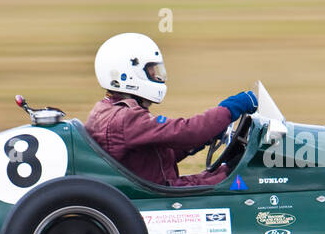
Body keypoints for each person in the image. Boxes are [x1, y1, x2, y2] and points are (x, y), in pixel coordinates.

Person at [86, 32, 257, 188]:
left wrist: (204, 139)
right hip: (158, 194)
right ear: (126, 74)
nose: (158, 77)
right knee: (246, 176)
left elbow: (153, 158)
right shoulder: (125, 118)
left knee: (229, 171)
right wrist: (230, 108)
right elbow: (186, 131)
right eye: (152, 71)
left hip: (149, 187)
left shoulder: (106, 110)